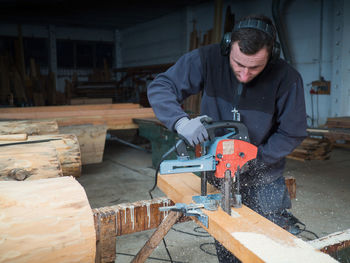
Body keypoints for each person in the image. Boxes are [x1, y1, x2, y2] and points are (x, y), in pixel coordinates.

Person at [147, 14, 307, 263]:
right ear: (227, 47)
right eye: (238, 64)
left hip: (263, 175)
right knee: (228, 245)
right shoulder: (207, 58)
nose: (244, 74)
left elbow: (292, 131)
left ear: (272, 54)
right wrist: (180, 122)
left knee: (270, 248)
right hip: (217, 173)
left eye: (254, 67)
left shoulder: (287, 78)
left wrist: (256, 157)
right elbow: (161, 86)